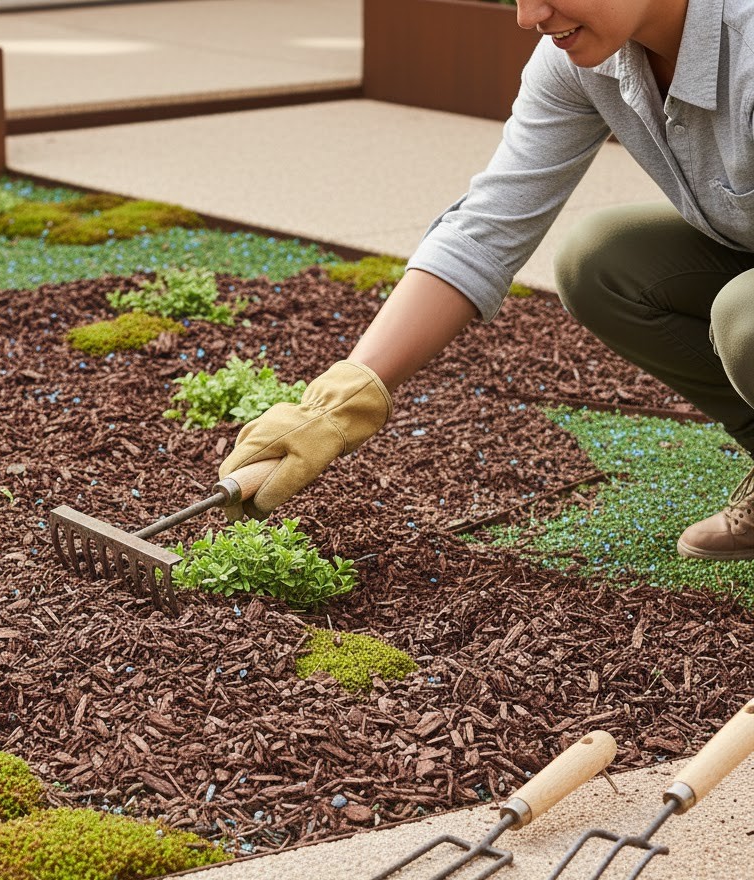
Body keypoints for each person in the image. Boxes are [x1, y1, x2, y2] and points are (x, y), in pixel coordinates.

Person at [219, 0, 754, 561]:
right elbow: (487, 229)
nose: (527, 15)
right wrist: (338, 401)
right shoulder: (583, 59)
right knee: (600, 262)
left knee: (744, 318)